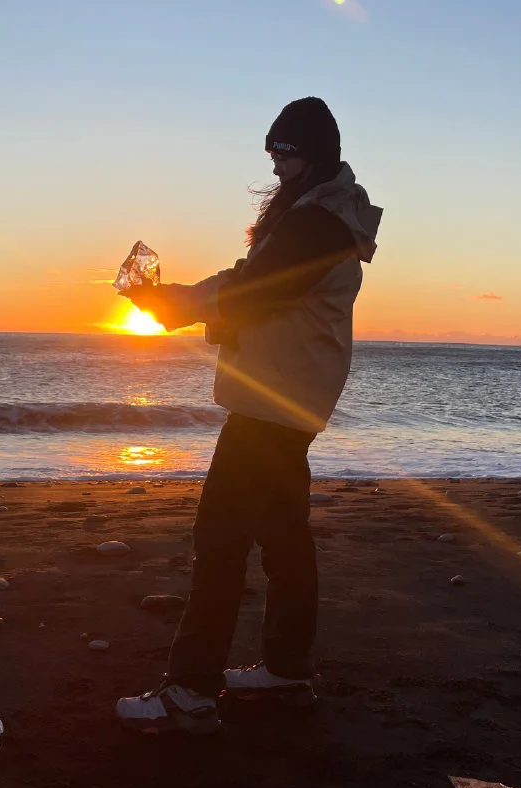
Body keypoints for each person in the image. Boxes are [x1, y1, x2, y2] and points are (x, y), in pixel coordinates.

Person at [115, 96, 382, 734]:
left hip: (272, 401)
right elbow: (252, 281)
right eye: (272, 154)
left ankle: (191, 690)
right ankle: (287, 672)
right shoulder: (319, 216)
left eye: (286, 154)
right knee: (285, 538)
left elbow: (251, 291)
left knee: (220, 539)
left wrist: (162, 302)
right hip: (289, 397)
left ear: (313, 154)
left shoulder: (316, 223)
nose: (277, 166)